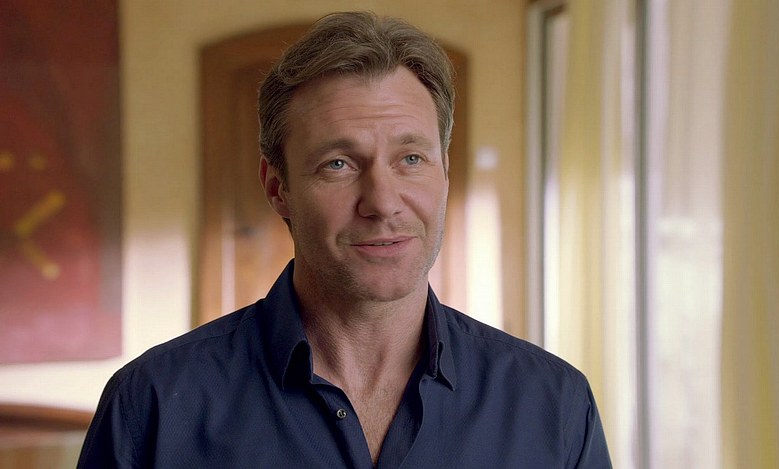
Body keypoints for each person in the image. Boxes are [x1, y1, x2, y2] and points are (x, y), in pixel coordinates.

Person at [78, 11, 611, 468]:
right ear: (278, 188)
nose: (383, 201)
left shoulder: (555, 406)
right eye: (338, 164)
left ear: (445, 173)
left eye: (411, 159)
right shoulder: (151, 407)